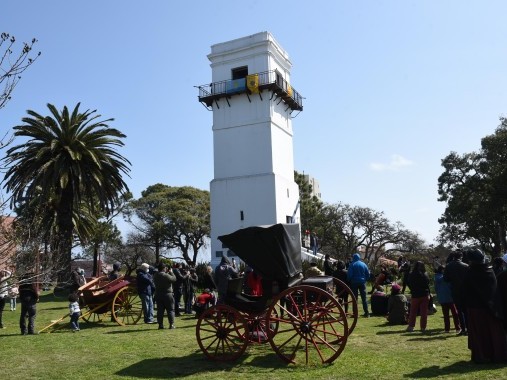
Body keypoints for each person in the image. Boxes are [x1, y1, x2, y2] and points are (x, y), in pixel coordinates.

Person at [462, 248, 507, 364]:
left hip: (476, 308)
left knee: (480, 333)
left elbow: (464, 291)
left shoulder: (469, 273)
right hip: (491, 308)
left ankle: (482, 356)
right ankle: (497, 355)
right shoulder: (489, 271)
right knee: (494, 332)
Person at [444, 250, 469, 335]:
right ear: (461, 257)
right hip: (465, 290)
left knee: (459, 310)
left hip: (455, 290)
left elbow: (446, 279)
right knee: (466, 310)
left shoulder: (448, 266)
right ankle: (468, 328)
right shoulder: (466, 266)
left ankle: (463, 328)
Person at [434, 265, 460, 333]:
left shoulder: (437, 277)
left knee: (451, 314)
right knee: (452, 314)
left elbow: (436, 288)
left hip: (445, 297)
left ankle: (453, 328)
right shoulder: (439, 277)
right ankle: (449, 328)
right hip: (448, 297)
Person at [406, 261, 430, 332]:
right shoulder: (425, 274)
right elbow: (427, 283)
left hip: (415, 295)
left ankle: (411, 326)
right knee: (424, 312)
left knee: (413, 311)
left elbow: (408, 283)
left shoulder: (411, 274)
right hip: (424, 294)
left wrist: (412, 289)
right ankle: (423, 327)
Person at [153, 262, 176, 330]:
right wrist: (171, 272)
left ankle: (160, 325)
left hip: (158, 294)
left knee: (160, 311)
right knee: (170, 310)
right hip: (167, 294)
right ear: (163, 268)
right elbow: (174, 279)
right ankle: (171, 324)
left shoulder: (155, 275)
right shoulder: (165, 275)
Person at [347, 253, 371, 317]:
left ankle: (355, 313)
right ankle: (366, 312)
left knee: (355, 298)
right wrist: (365, 280)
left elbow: (349, 275)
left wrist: (348, 281)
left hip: (354, 282)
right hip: (362, 282)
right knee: (364, 298)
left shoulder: (352, 264)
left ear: (353, 258)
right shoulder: (364, 264)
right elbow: (368, 274)